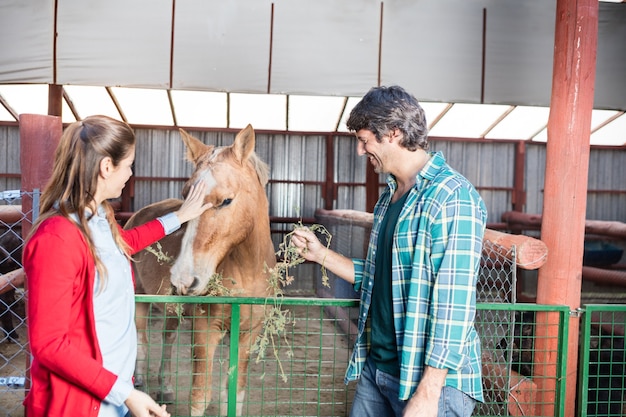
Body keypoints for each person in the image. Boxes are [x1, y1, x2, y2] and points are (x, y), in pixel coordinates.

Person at [291, 85, 487, 417]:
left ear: (393, 133)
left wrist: (429, 392)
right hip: (379, 367)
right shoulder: (390, 197)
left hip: (428, 381)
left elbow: (454, 304)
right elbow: (380, 276)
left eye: (365, 140)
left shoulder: (452, 196)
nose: (360, 150)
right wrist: (320, 254)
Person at [22, 115, 212, 417]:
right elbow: (48, 343)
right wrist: (125, 393)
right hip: (78, 404)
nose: (131, 173)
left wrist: (180, 216)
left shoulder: (99, 221)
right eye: (128, 165)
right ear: (106, 167)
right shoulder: (56, 238)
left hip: (113, 396)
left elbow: (127, 241)